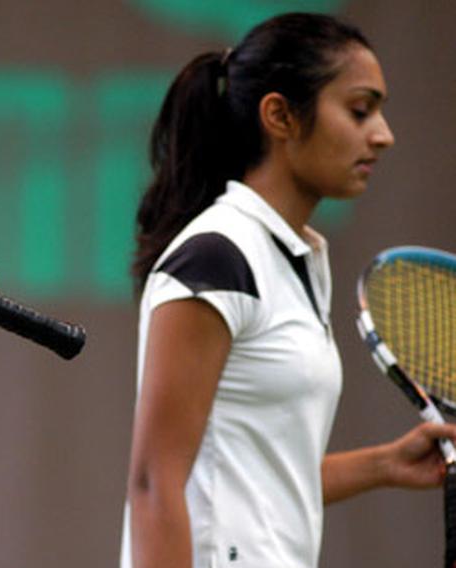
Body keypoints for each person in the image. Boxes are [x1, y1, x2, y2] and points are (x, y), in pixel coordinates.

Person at [120, 12, 456, 568]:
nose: (383, 134)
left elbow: (250, 476)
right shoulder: (216, 256)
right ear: (279, 115)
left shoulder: (291, 259)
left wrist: (383, 464)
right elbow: (155, 483)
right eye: (359, 109)